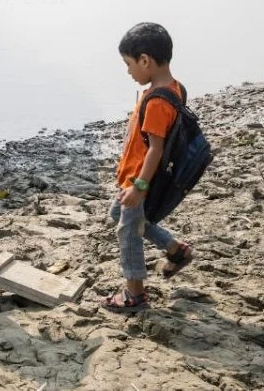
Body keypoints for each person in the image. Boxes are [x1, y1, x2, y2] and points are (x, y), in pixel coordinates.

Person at [103, 22, 194, 313]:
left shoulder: (156, 101)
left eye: (129, 64)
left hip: (139, 179)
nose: (128, 71)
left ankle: (134, 294)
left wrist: (139, 186)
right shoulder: (172, 88)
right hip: (137, 177)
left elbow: (155, 149)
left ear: (145, 60)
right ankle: (175, 250)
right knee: (118, 213)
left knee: (127, 231)